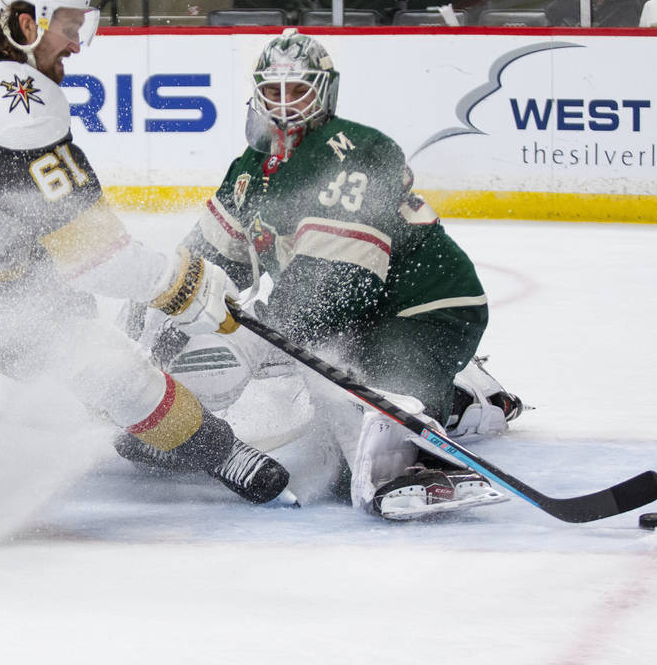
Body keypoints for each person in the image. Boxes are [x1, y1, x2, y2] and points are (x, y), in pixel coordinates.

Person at [0, 0, 292, 507]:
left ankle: (135, 412)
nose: (77, 42)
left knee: (76, 320)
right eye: (68, 25)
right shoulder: (18, 112)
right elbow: (99, 256)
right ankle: (213, 448)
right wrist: (191, 285)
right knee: (100, 363)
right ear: (24, 21)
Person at [118, 29, 524, 520]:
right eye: (273, 91)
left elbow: (340, 281)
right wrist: (155, 308)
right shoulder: (251, 168)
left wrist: (255, 339)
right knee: (324, 381)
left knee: (348, 450)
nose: (284, 104)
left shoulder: (357, 152)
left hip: (425, 310)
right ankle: (463, 398)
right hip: (357, 319)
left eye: (298, 90)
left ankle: (415, 458)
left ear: (324, 90)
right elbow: (203, 257)